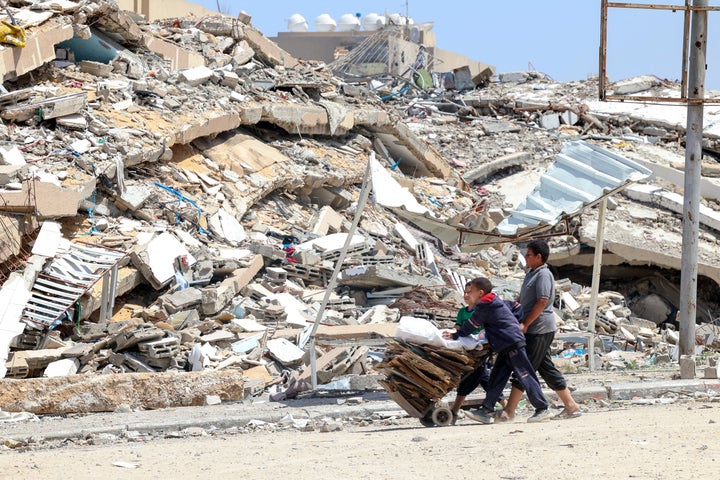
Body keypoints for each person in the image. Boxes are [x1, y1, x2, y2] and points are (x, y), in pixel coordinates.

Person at [443, 277, 552, 424]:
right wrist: (513, 321)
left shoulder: (485, 304)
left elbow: (472, 324)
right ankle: (486, 409)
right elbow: (515, 306)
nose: (467, 295)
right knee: (497, 376)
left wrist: (456, 334)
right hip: (504, 345)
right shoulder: (493, 300)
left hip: (511, 342)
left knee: (525, 375)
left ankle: (542, 408)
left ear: (480, 292)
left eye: (470, 291)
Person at [497, 239, 582, 422]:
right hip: (534, 328)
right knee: (546, 369)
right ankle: (571, 406)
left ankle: (510, 411)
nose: (525, 257)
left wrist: (526, 324)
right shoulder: (531, 274)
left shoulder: (544, 275)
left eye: (528, 255)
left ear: (538, 257)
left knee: (524, 368)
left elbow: (542, 301)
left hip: (540, 329)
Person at [448, 282, 507, 424]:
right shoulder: (463, 312)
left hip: (479, 350)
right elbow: (457, 327)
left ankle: (455, 412)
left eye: (470, 292)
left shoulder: (481, 310)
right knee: (478, 379)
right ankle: (508, 407)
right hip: (467, 351)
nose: (466, 295)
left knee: (478, 378)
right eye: (465, 292)